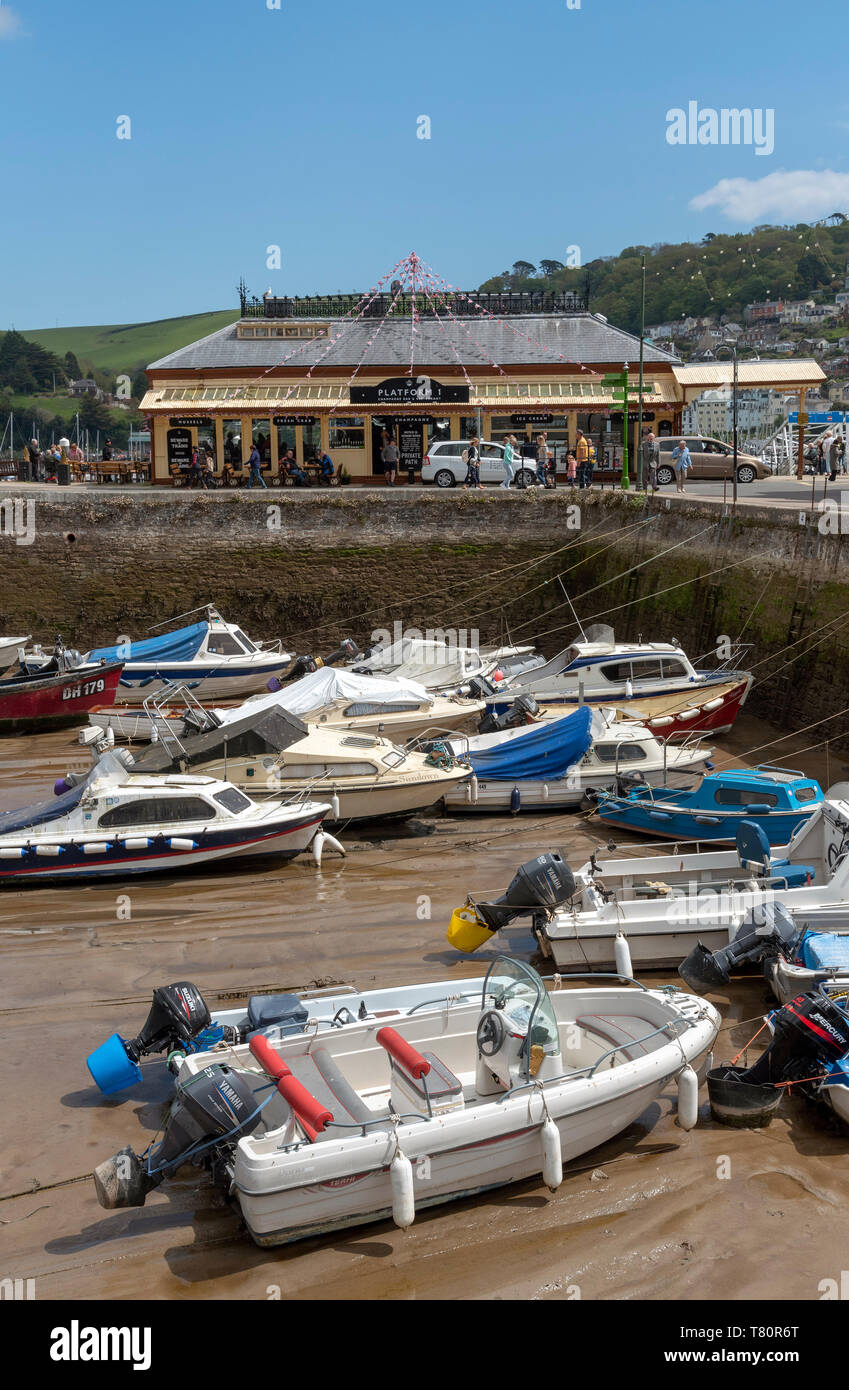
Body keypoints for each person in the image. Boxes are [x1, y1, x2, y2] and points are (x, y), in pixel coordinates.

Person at [640, 428, 660, 493]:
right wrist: (642, 462)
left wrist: (658, 463)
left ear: (654, 438)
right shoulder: (643, 444)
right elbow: (641, 454)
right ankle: (644, 488)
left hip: (653, 462)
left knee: (653, 475)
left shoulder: (657, 445)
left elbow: (658, 455)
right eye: (650, 437)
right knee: (645, 476)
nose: (651, 438)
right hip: (645, 462)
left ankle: (654, 487)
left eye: (652, 437)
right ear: (648, 437)